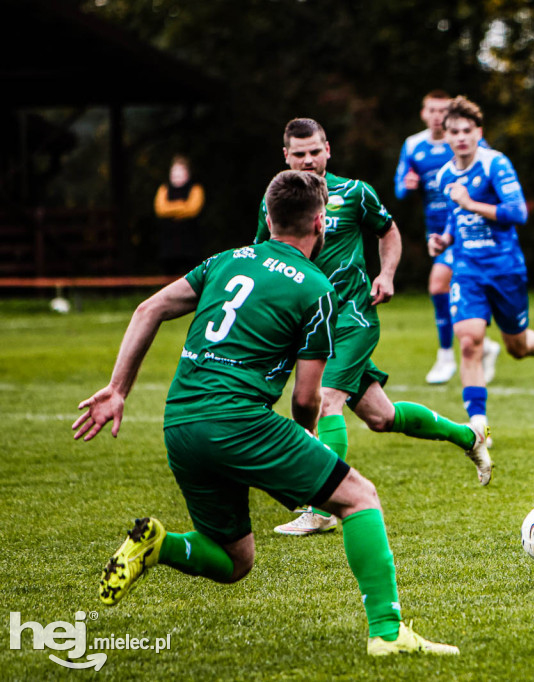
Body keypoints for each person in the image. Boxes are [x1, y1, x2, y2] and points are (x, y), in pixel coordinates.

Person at [74, 170, 458, 655]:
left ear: (269, 218)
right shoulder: (317, 286)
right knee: (359, 497)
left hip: (180, 424)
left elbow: (148, 310)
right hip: (239, 421)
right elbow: (304, 398)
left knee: (236, 560)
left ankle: (158, 544)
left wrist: (116, 389)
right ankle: (386, 633)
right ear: (320, 222)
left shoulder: (225, 261)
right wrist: (309, 442)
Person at [257, 118, 492, 537]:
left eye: (315, 151)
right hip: (308, 326)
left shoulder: (355, 193)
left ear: (328, 149)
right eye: (299, 153)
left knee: (324, 401)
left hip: (352, 317)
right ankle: (468, 437)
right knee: (381, 417)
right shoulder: (276, 203)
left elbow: (389, 231)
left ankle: (323, 506)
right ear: (286, 156)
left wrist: (386, 274)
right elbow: (264, 257)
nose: (308, 160)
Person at [429, 96, 534, 441]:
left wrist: (471, 202)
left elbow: (518, 213)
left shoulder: (494, 165)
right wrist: (442, 239)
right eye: (454, 132)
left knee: (517, 348)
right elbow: (455, 219)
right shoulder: (444, 175)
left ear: (478, 132)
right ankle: (479, 427)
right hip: (468, 270)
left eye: (467, 131)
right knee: (469, 343)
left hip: (505, 269)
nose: (461, 137)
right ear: (446, 136)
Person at [394, 90, 501, 385]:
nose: (437, 116)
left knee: (439, 285)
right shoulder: (413, 145)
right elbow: (400, 188)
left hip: (470, 227)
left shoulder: (466, 142)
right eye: (432, 110)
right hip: (438, 230)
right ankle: (483, 345)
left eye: (443, 110)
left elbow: (490, 169)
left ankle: (446, 355)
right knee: (448, 290)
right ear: (423, 113)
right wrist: (407, 185)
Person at [153, 155, 205, 275]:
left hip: (190, 243)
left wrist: (171, 208)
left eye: (180, 172)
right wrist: (183, 205)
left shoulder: (196, 188)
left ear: (188, 173)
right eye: (174, 172)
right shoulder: (164, 189)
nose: (177, 175)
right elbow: (160, 209)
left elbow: (193, 209)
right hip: (169, 244)